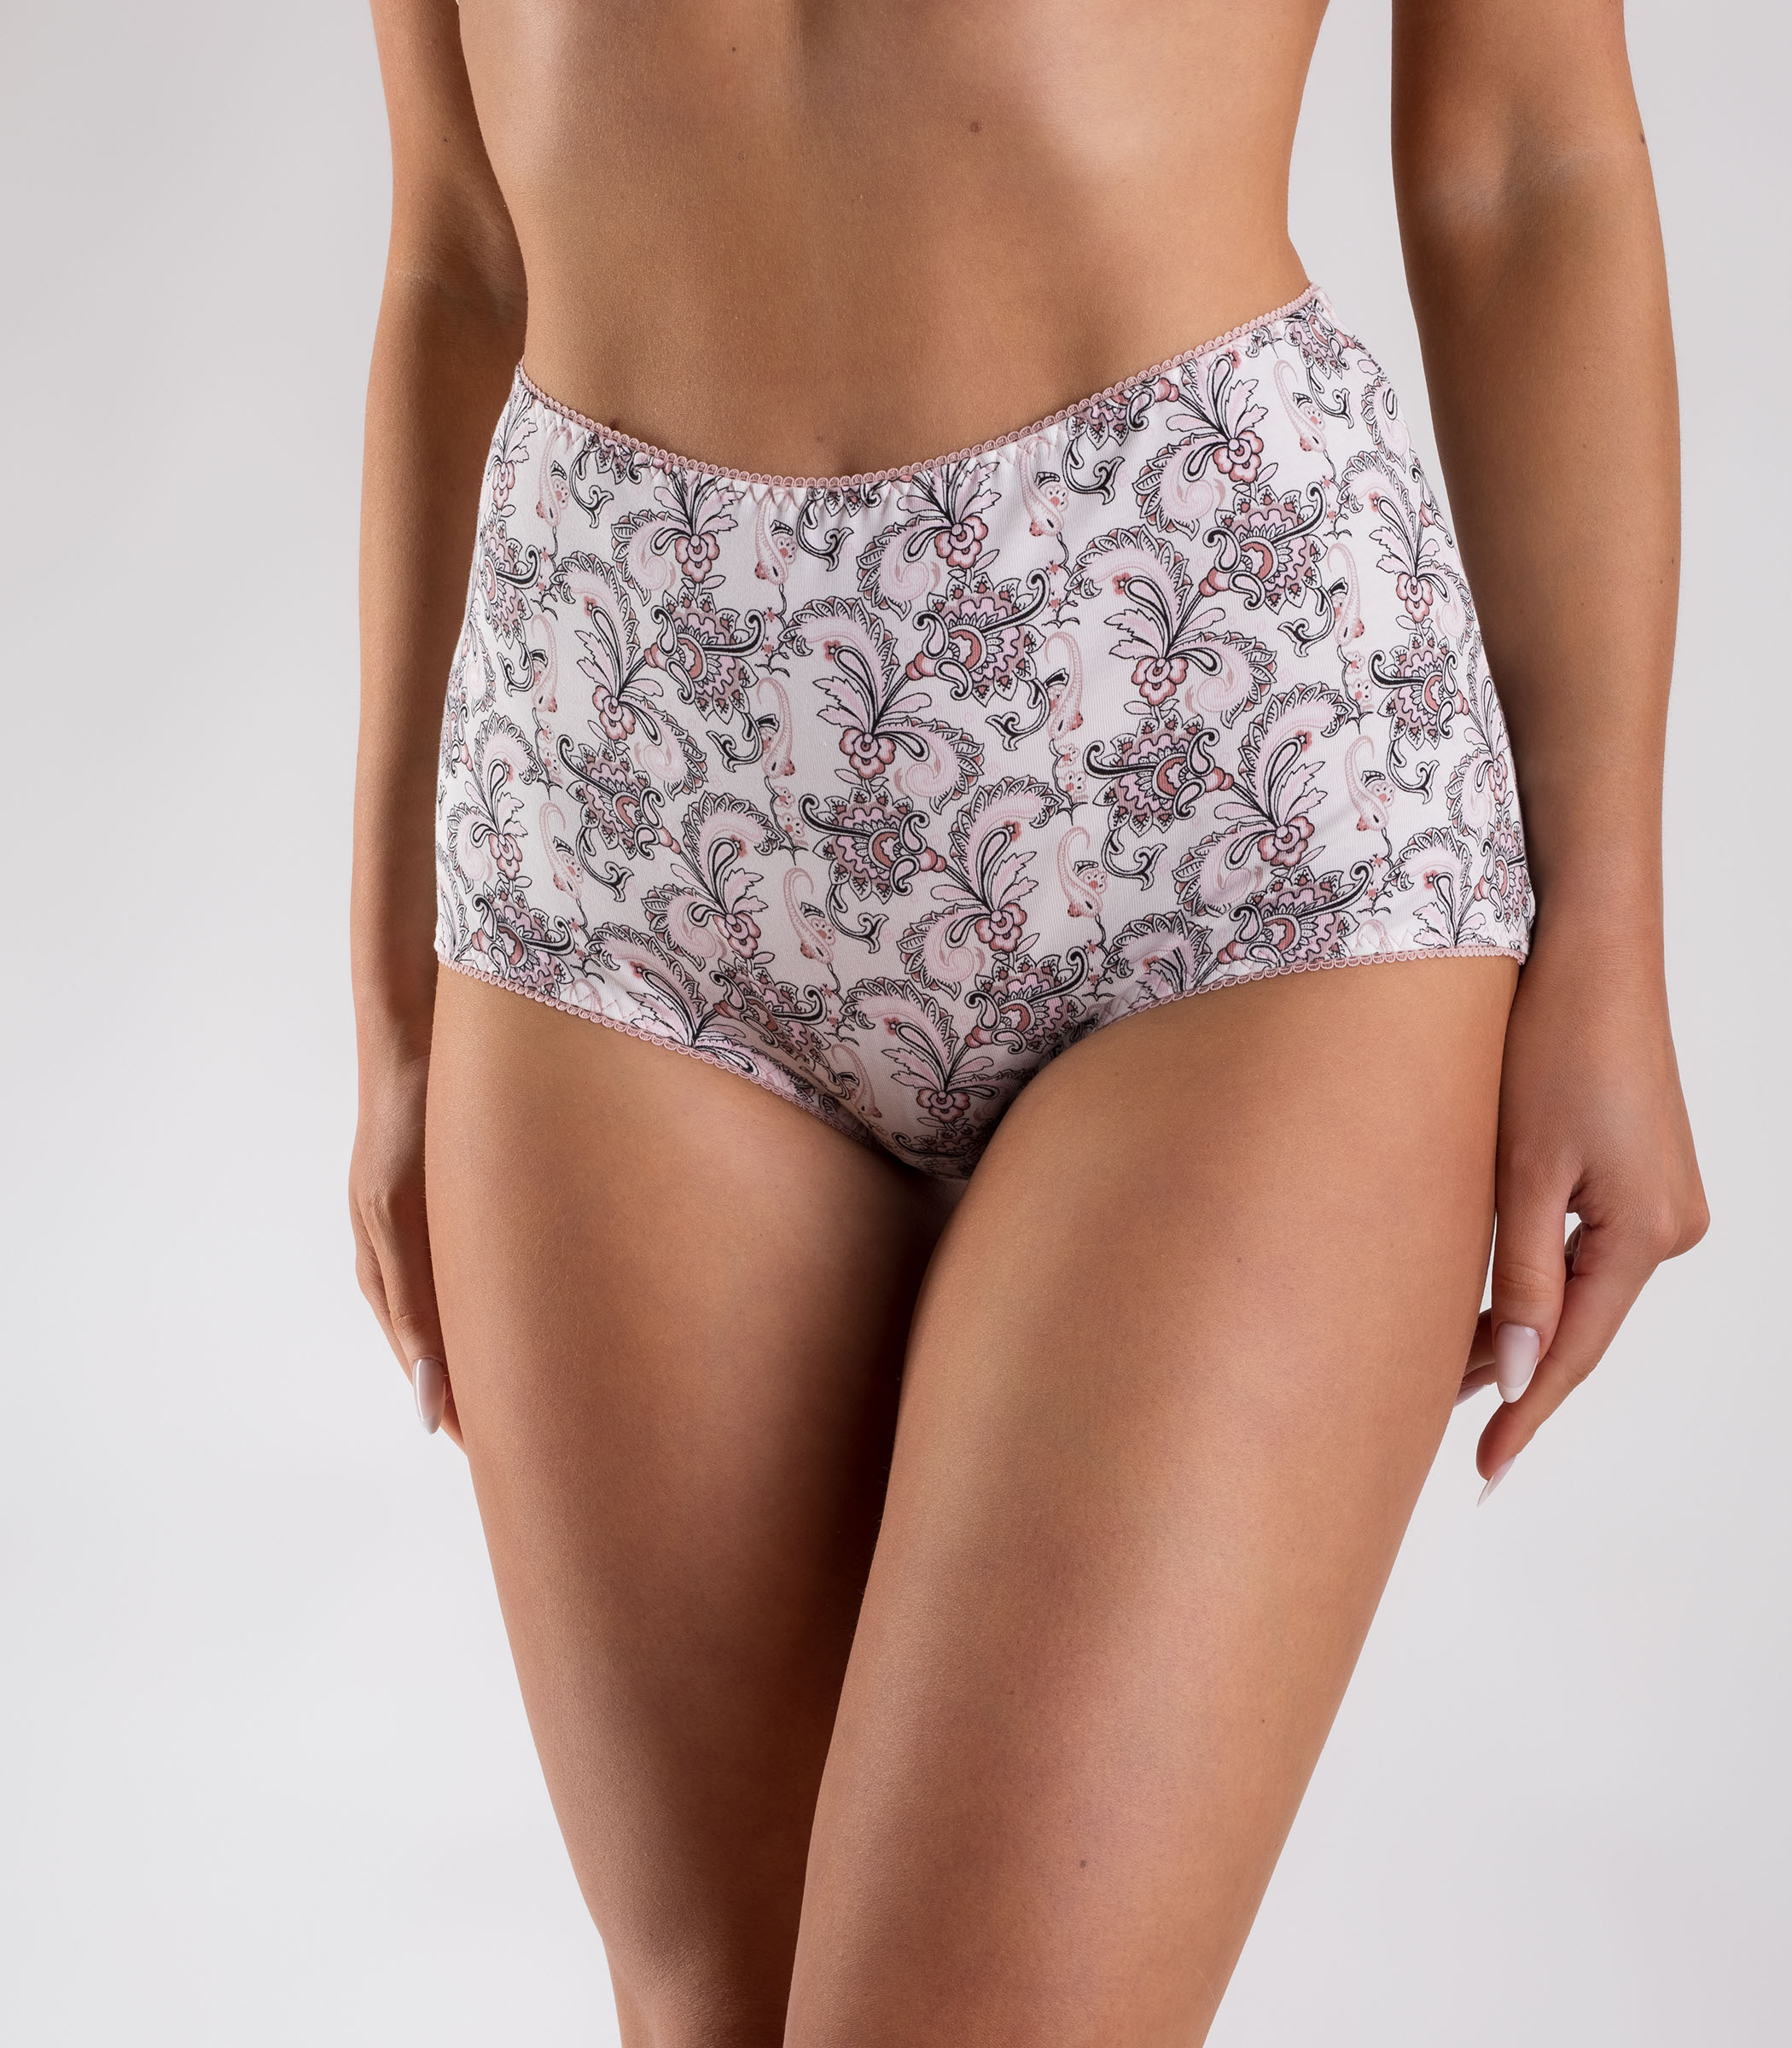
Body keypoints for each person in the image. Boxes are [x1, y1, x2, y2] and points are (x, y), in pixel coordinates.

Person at [348, 3, 1708, 2039]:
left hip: (1228, 789)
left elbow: (1529, 159)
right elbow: (460, 249)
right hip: (608, 809)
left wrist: (1607, 928)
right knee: (724, 2009)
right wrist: (394, 988)